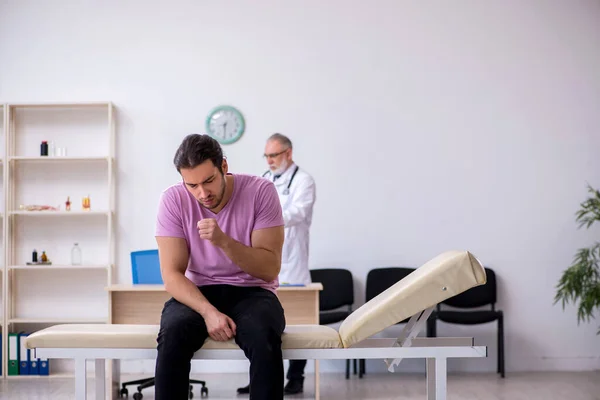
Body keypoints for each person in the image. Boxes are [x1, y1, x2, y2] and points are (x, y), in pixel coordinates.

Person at [154, 133, 287, 400]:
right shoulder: (173, 200)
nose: (202, 194)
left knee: (264, 336)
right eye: (191, 185)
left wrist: (223, 241)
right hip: (198, 292)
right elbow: (171, 275)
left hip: (252, 292)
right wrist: (208, 312)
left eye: (209, 181)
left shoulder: (261, 192)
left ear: (223, 167)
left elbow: (269, 269)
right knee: (172, 335)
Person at [237, 133, 317, 395]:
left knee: (299, 320)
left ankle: (296, 377)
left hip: (293, 261)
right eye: (267, 156)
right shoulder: (263, 180)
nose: (269, 160)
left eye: (274, 155)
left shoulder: (304, 181)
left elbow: (299, 213)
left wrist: (266, 216)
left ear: (288, 153)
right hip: (265, 258)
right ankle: (260, 375)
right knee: (262, 322)